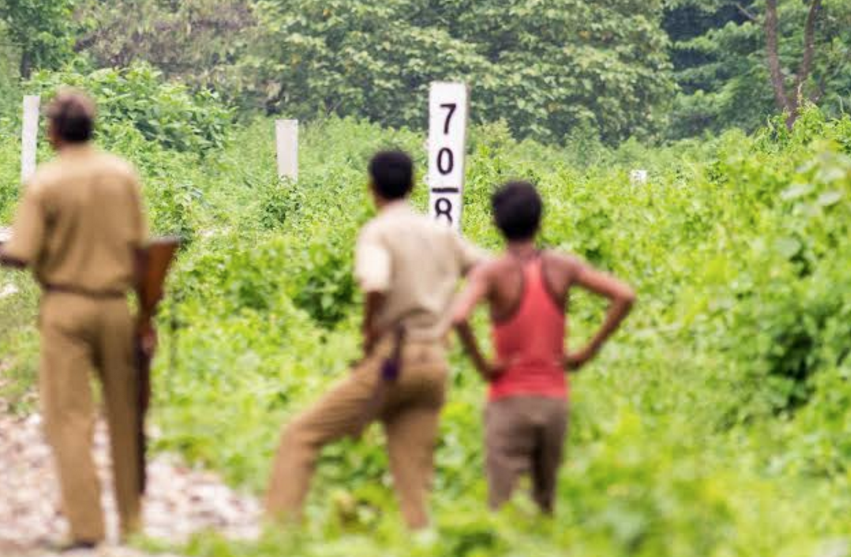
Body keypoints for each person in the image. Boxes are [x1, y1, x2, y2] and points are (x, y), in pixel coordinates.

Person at [263, 148, 490, 529]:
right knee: (413, 478)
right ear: (414, 185)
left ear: (371, 189)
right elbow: (487, 267)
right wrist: (456, 311)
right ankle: (416, 552)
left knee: (299, 436)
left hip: (394, 359)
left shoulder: (378, 232)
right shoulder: (441, 232)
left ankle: (279, 534)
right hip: (434, 363)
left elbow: (375, 282)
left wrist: (370, 329)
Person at [0, 89, 150, 549]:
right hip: (117, 307)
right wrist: (146, 316)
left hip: (65, 307)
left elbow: (21, 253)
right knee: (126, 415)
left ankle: (87, 527)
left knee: (70, 417)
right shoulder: (123, 175)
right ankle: (131, 522)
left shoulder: (46, 182)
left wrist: (7, 253)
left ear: (53, 132)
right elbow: (144, 252)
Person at [451, 179, 635, 515]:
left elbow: (459, 315)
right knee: (544, 503)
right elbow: (624, 295)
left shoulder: (492, 272)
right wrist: (586, 352)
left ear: (495, 222)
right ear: (540, 220)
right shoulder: (561, 266)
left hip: (508, 400)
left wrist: (484, 366)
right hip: (554, 402)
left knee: (504, 507)